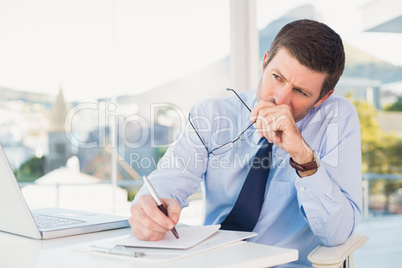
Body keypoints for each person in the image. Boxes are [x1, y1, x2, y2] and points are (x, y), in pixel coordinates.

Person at [129, 19, 362, 267]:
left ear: (322, 98)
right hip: (212, 261)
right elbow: (168, 183)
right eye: (277, 77)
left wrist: (304, 158)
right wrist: (149, 211)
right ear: (264, 62)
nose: (280, 99)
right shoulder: (212, 115)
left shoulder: (336, 118)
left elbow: (338, 234)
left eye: (301, 92)